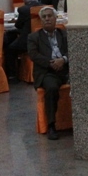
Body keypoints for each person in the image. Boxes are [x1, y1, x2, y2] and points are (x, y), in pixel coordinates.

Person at [28, 7, 69, 140]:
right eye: (44, 17)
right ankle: (51, 125)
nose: (47, 19)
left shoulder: (64, 34)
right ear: (41, 20)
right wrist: (52, 63)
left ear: (56, 18)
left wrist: (63, 60)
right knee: (51, 88)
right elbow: (34, 55)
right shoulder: (34, 37)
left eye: (50, 16)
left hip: (66, 69)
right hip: (47, 72)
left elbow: (74, 49)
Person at [4, 0, 40, 81]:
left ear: (25, 2)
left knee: (9, 49)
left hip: (28, 41)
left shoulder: (23, 9)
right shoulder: (44, 7)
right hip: (41, 38)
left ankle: (12, 75)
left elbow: (18, 25)